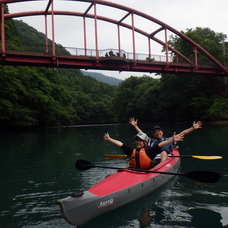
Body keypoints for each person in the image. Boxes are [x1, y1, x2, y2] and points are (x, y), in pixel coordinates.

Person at [128, 118, 202, 160]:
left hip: (166, 158)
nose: (158, 133)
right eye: (155, 132)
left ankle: (161, 166)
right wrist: (135, 126)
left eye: (159, 131)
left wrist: (193, 128)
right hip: (153, 159)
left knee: (163, 153)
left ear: (162, 132)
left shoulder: (171, 139)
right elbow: (142, 134)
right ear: (153, 134)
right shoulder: (151, 141)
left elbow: (183, 133)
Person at [103, 131, 184, 169]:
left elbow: (160, 145)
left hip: (149, 170)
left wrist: (172, 140)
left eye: (140, 141)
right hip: (135, 171)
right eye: (137, 141)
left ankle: (161, 167)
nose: (138, 142)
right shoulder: (131, 151)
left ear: (145, 142)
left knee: (162, 153)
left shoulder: (150, 151)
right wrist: (110, 139)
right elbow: (121, 144)